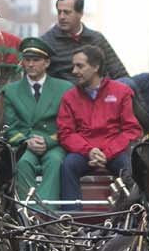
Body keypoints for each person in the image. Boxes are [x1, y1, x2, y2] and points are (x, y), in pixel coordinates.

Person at [41, 0, 149, 116]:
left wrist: (123, 94)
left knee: (147, 80)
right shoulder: (47, 42)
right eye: (59, 12)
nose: (62, 17)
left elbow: (119, 71)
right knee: (127, 84)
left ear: (80, 13)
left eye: (67, 12)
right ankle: (145, 123)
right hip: (78, 94)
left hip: (106, 89)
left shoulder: (96, 38)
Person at [56, 44, 141, 202]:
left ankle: (131, 217)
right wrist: (89, 151)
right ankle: (70, 221)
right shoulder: (69, 97)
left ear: (95, 67)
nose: (74, 71)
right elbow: (65, 133)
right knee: (68, 165)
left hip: (115, 152)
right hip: (84, 152)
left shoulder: (122, 92)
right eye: (73, 66)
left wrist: (107, 153)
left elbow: (132, 130)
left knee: (131, 168)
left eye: (79, 66)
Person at [1, 36, 74, 201]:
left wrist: (48, 141)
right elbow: (9, 127)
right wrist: (27, 141)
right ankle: (26, 214)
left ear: (47, 63)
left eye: (36, 60)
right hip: (25, 144)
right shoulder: (11, 91)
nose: (30, 64)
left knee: (56, 162)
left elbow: (69, 125)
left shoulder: (65, 88)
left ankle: (44, 214)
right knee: (22, 162)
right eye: (27, 60)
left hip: (53, 144)